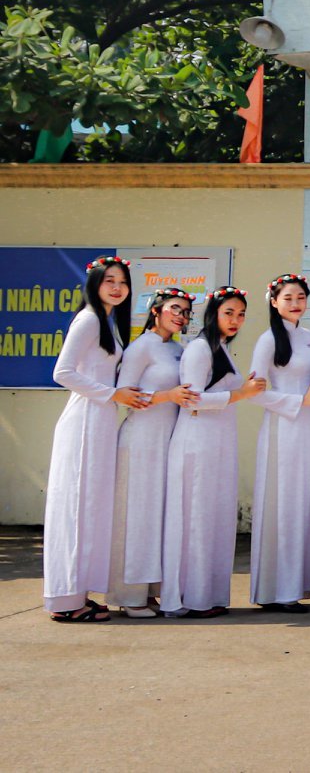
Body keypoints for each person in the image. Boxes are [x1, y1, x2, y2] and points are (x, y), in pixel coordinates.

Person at [162, 287, 267, 616]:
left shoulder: (219, 348)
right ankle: (191, 598)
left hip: (218, 441)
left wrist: (244, 390)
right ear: (213, 314)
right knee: (197, 518)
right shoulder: (199, 349)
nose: (235, 320)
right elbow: (191, 402)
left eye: (241, 314)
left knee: (213, 518)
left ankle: (207, 595)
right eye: (228, 313)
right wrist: (242, 393)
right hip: (197, 442)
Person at [44, 256, 136, 621]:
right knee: (76, 509)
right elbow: (62, 372)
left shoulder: (106, 322)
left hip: (100, 420)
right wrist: (111, 394)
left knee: (90, 508)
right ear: (94, 283)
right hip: (83, 421)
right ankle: (65, 601)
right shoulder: (88, 319)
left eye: (123, 282)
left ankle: (77, 592)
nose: (117, 287)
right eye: (109, 280)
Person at [109, 286, 197, 618]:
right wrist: (167, 396)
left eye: (186, 311)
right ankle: (130, 595)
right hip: (141, 440)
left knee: (159, 517)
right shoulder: (141, 347)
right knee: (137, 515)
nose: (181, 316)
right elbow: (124, 394)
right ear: (156, 310)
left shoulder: (178, 350)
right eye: (175, 308)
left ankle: (151, 590)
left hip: (168, 441)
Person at [248, 274, 310, 611]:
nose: (295, 303)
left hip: (309, 426)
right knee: (282, 504)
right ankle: (277, 591)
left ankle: (296, 585)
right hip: (283, 427)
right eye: (288, 298)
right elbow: (254, 392)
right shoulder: (268, 339)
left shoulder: (308, 336)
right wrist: (299, 402)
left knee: (302, 504)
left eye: (300, 297)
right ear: (273, 301)